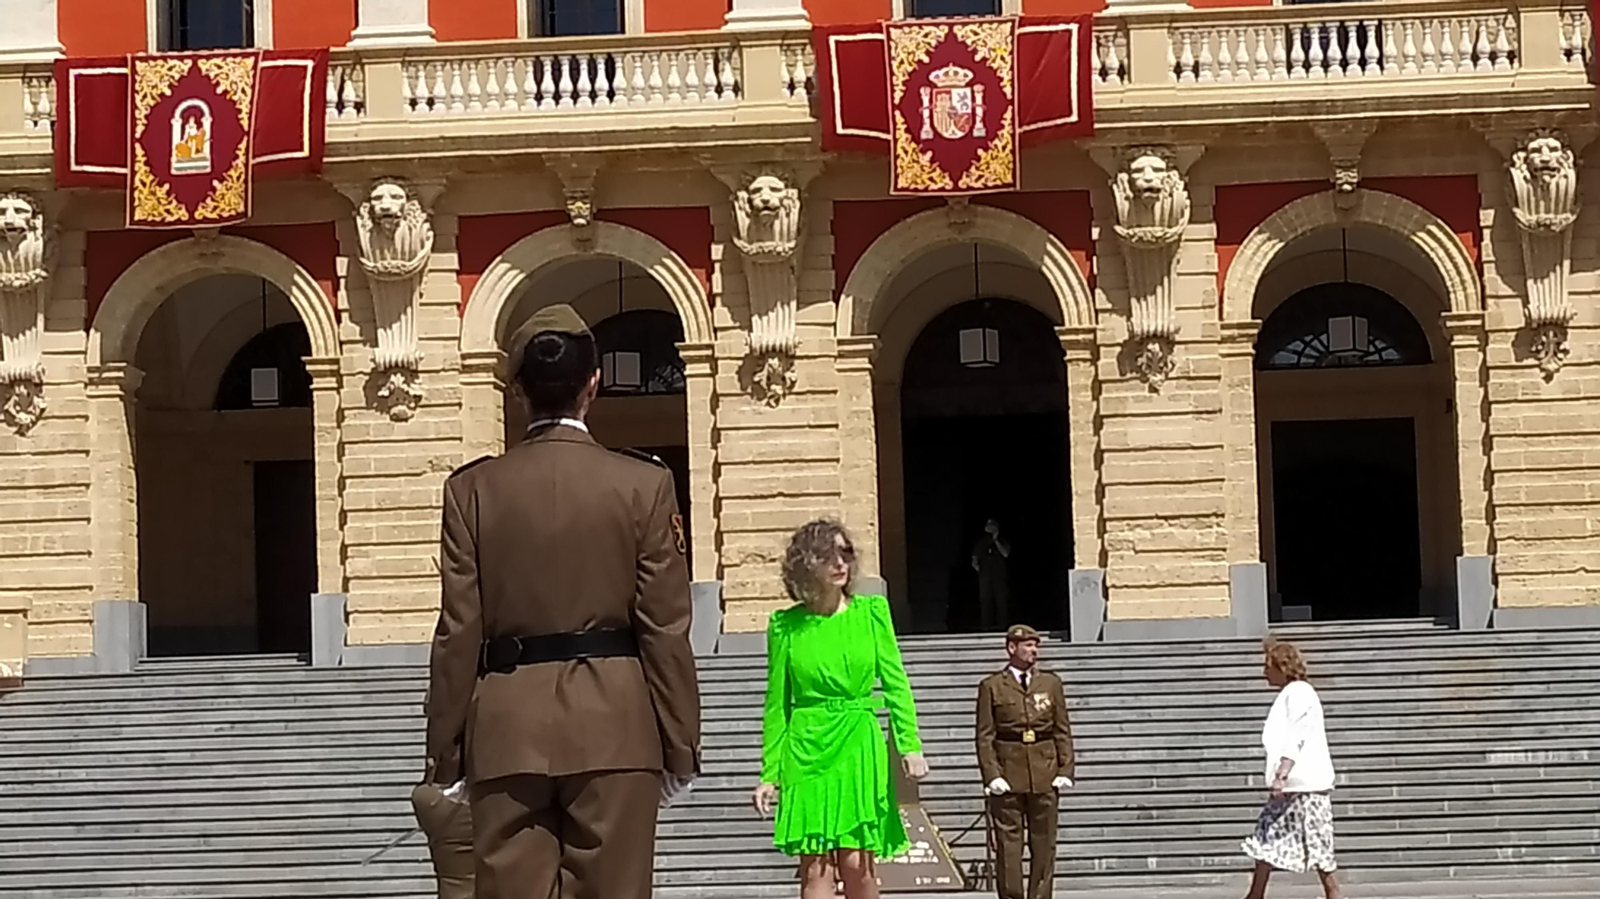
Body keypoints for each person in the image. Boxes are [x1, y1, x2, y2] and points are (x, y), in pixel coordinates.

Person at [425, 303, 701, 899]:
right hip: (616, 724)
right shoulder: (643, 484)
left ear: (517, 391)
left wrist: (443, 754)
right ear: (594, 384)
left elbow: (458, 631)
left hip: (504, 728)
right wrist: (680, 743)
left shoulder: (472, 489)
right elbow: (665, 627)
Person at [752, 519, 929, 899]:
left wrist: (909, 744)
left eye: (845, 553)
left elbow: (896, 682)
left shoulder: (872, 613)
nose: (839, 563)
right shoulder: (785, 625)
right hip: (805, 746)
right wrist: (770, 772)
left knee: (856, 864)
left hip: (857, 740)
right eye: (827, 555)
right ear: (805, 564)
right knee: (815, 870)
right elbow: (776, 704)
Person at [974, 624, 1075, 899]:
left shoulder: (1050, 684)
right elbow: (985, 736)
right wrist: (991, 774)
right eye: (1028, 645)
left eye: (1036, 645)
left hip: (1044, 772)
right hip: (1008, 774)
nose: (1034, 651)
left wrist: (1066, 768)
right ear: (1011, 648)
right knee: (1008, 847)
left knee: (1044, 846)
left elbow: (1061, 729)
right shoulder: (992, 686)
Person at [1241, 639, 1340, 899]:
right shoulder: (1293, 692)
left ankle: (1334, 893)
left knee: (1316, 840)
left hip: (1303, 786)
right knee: (1266, 835)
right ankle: (1256, 893)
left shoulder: (1299, 692)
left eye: (1268, 666)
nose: (1264, 672)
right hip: (1295, 785)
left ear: (1282, 666)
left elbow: (1298, 733)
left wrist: (1282, 773)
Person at [971, 519, 1012, 630]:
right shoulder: (981, 542)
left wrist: (996, 540)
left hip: (999, 575)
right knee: (985, 600)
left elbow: (1006, 554)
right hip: (985, 575)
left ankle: (1003, 625)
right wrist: (979, 569)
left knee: (1001, 600)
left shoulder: (1002, 541)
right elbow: (974, 559)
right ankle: (985, 626)